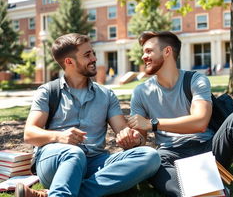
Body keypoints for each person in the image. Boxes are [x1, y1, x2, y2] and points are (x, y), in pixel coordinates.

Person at [15, 33, 160, 197]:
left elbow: (122, 129)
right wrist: (59, 137)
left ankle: (55, 193)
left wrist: (132, 138)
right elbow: (29, 134)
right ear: (69, 62)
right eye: (87, 55)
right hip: (56, 161)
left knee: (150, 156)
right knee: (73, 153)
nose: (94, 58)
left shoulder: (106, 94)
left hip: (95, 162)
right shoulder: (48, 91)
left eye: (92, 53)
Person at [127, 31, 233, 196]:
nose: (143, 56)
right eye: (143, 52)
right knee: (152, 161)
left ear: (167, 51)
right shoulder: (140, 91)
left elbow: (200, 123)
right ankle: (211, 192)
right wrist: (133, 138)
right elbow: (141, 136)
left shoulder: (196, 80)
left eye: (149, 51)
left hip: (209, 151)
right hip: (170, 155)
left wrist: (154, 123)